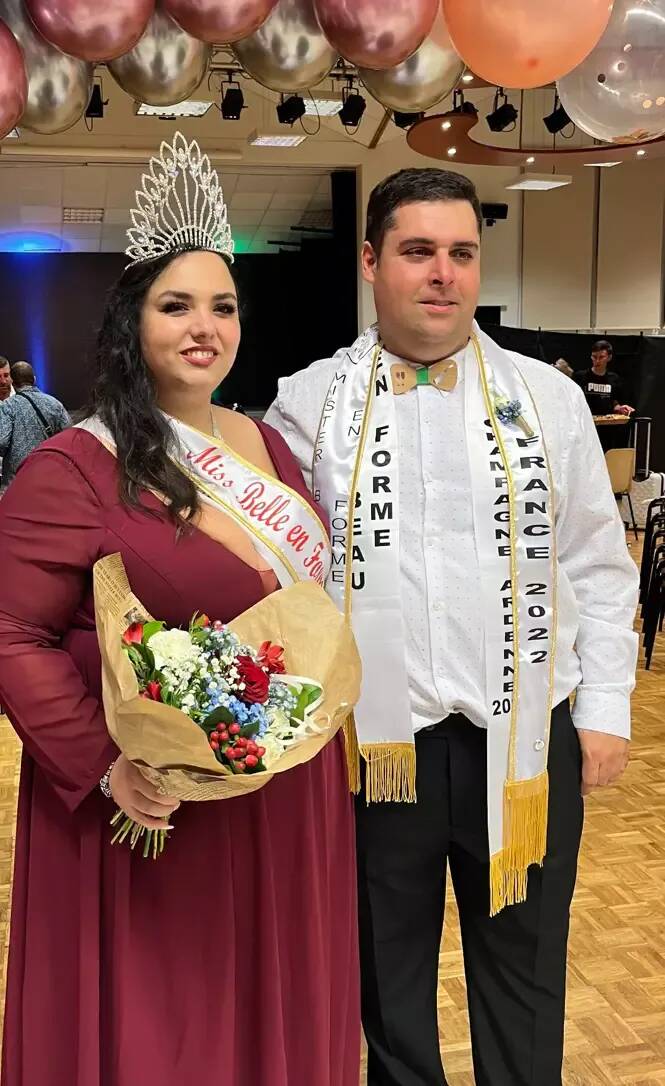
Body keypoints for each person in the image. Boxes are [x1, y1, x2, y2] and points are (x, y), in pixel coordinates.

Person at [265, 167, 639, 1086]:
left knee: (525, 970)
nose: (443, 273)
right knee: (385, 980)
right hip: (372, 746)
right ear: (369, 262)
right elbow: (279, 581)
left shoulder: (545, 400)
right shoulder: (306, 403)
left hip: (522, 739)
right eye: (418, 251)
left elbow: (597, 561)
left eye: (461, 253)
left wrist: (605, 709)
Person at [0, 134, 359, 1086]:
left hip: (278, 787)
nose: (204, 326)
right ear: (131, 324)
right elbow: (13, 633)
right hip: (145, 800)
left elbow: (300, 606)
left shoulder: (270, 450)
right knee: (168, 1025)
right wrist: (106, 764)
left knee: (268, 1010)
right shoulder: (72, 465)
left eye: (223, 306)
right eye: (175, 305)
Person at [0, 361, 70, 489]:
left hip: (16, 484)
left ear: (13, 383)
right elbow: (69, 439)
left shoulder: (7, 407)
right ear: (34, 379)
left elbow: (1, 442)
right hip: (49, 479)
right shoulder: (55, 404)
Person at [574, 339, 634, 416]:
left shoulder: (614, 378)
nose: (597, 361)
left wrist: (620, 408)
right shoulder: (580, 377)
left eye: (601, 357)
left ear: (609, 358)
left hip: (606, 425)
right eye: (594, 357)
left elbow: (613, 403)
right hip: (586, 424)